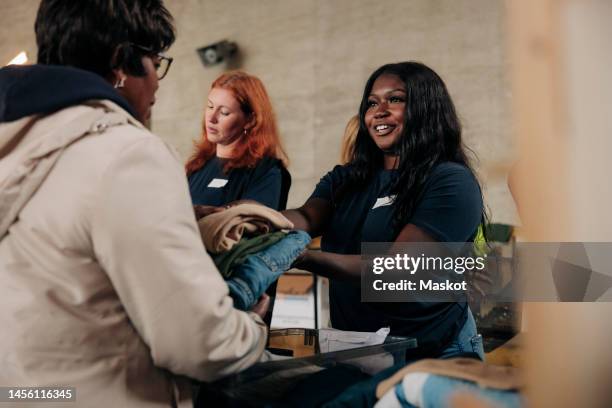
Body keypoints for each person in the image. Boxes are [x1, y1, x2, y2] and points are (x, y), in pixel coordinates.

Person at [0, 1, 267, 407]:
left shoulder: (16, 145)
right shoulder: (126, 153)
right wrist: (251, 325)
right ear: (120, 63)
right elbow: (199, 342)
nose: (157, 85)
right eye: (155, 62)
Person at [285, 62, 486, 360]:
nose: (379, 110)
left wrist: (300, 256)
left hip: (431, 351)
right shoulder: (346, 178)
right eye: (372, 103)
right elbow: (305, 217)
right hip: (356, 349)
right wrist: (251, 220)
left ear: (426, 108)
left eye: (395, 99)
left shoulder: (450, 180)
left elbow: (397, 269)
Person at [186, 71, 290, 215]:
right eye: (210, 107)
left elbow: (254, 225)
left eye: (224, 112)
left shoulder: (266, 171)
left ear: (250, 120)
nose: (211, 118)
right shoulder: (197, 166)